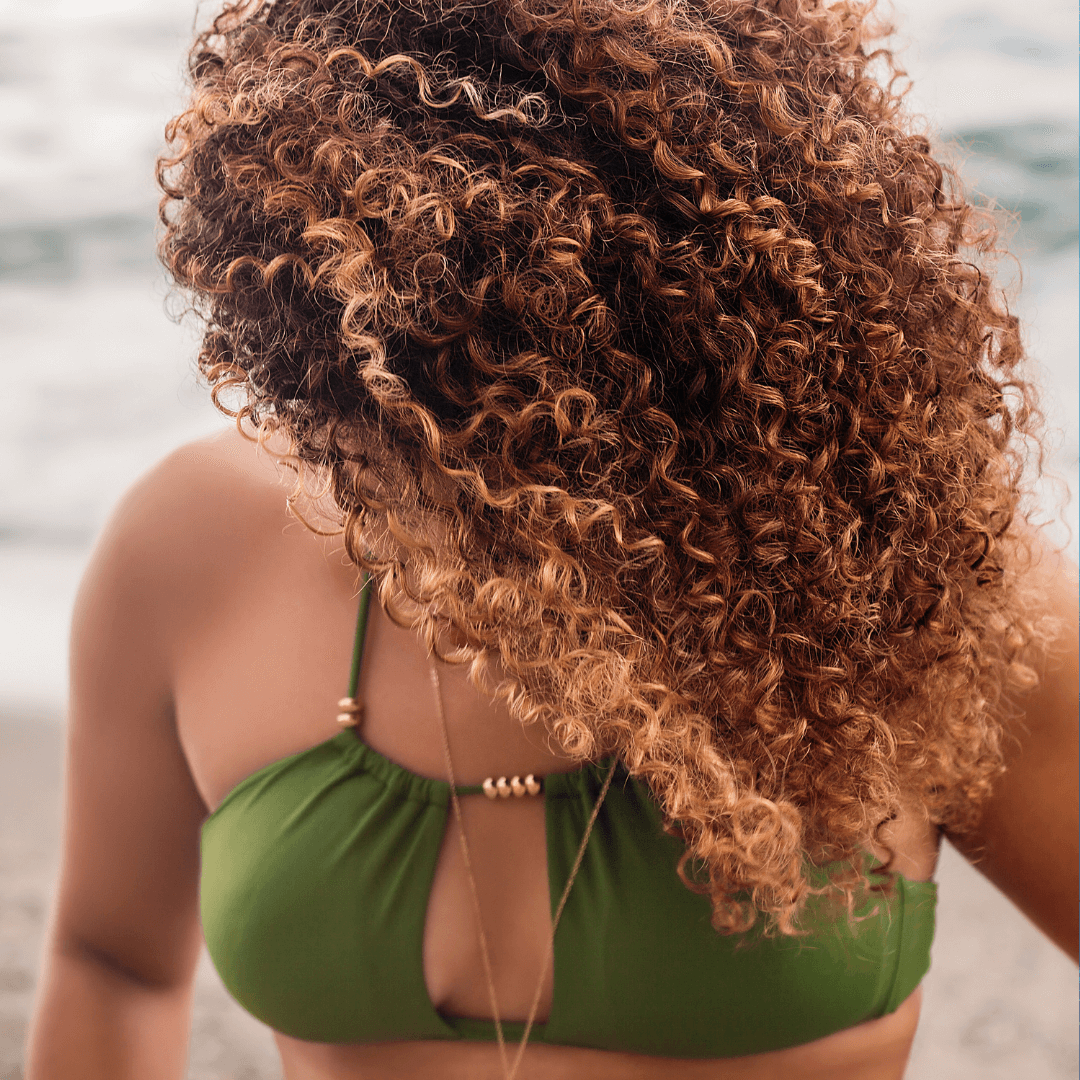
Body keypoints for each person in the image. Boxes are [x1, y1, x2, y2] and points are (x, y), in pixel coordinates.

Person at [25, 0, 1078, 1077]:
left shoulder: (919, 593)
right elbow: (115, 962)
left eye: (476, 409)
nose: (400, 471)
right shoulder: (190, 548)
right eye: (358, 402)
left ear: (694, 341)